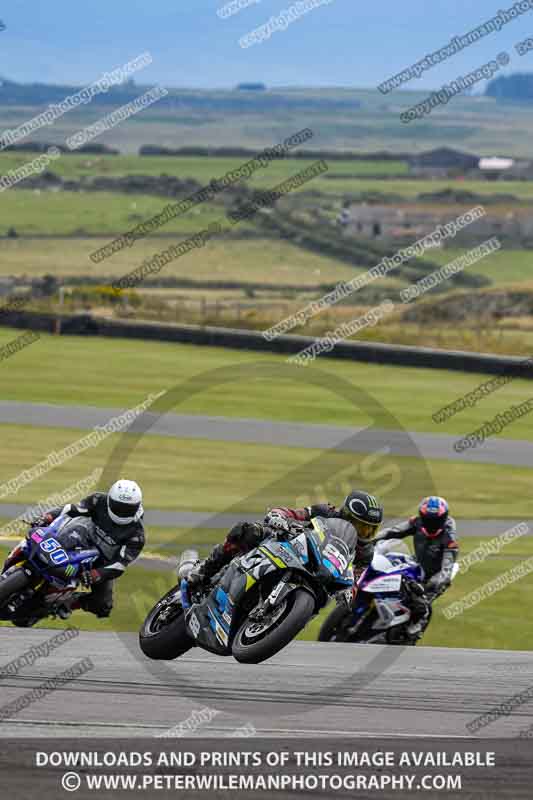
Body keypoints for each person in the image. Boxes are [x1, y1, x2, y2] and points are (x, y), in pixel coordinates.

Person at [186, 490, 384, 590]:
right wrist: (278, 517)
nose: (364, 534)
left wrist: (350, 590)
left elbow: (356, 580)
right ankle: (205, 569)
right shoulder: (326, 512)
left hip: (319, 574)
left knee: (323, 599)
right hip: (288, 544)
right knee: (246, 531)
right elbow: (293, 513)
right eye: (361, 527)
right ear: (347, 516)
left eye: (370, 530)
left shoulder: (365, 553)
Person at [5, 480, 145, 619]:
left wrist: (97, 574)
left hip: (101, 562)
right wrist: (48, 516)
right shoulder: (98, 500)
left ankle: (67, 602)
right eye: (118, 506)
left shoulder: (136, 535)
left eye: (127, 509)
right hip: (78, 535)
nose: (121, 512)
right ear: (109, 500)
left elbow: (120, 564)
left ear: (137, 506)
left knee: (103, 605)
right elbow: (72, 509)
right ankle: (17, 558)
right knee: (42, 536)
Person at [377, 495, 459, 638]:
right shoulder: (417, 522)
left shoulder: (449, 539)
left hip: (436, 576)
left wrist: (431, 585)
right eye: (427, 519)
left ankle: (414, 630)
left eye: (435, 521)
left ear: (443, 519)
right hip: (419, 563)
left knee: (421, 604)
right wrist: (371, 539)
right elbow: (393, 531)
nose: (430, 524)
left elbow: (446, 570)